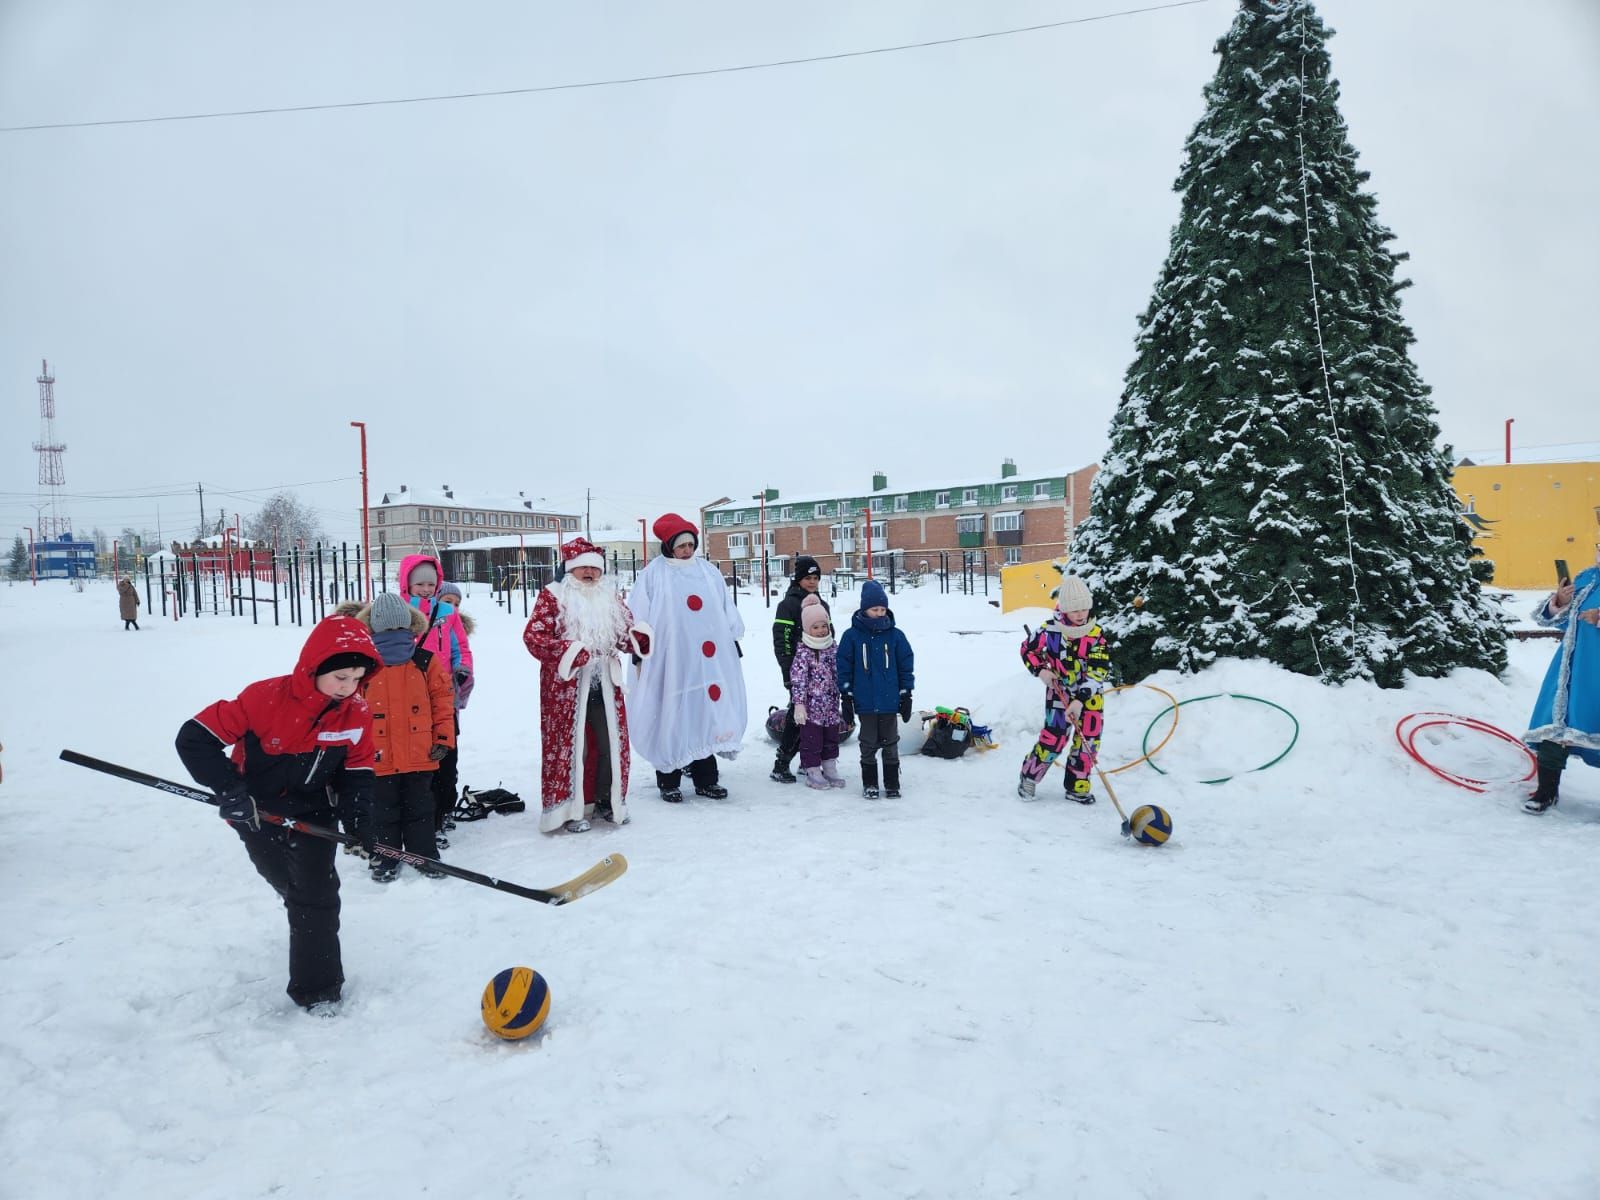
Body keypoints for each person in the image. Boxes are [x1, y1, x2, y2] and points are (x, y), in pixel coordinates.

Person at [174, 615, 379, 1014]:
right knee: (288, 884)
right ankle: (304, 910)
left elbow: (357, 773)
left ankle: (317, 992)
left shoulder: (356, 713)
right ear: (314, 666)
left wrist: (360, 823)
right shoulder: (262, 699)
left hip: (315, 811)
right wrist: (230, 792)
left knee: (316, 898)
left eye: (356, 678)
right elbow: (194, 738)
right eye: (340, 676)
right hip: (255, 812)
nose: (348, 687)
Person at [523, 537, 652, 832]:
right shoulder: (553, 596)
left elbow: (622, 634)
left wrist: (636, 640)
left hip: (605, 681)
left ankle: (607, 801)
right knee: (573, 746)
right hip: (566, 687)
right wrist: (568, 651)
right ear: (570, 569)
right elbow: (534, 637)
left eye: (594, 569)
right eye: (582, 568)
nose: (590, 574)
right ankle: (571, 809)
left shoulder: (609, 596)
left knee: (610, 742)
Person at [626, 513, 746, 803]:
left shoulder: (707, 572)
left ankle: (706, 779)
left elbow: (723, 605)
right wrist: (639, 650)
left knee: (704, 712)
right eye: (681, 546)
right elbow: (639, 612)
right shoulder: (654, 574)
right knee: (672, 710)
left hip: (706, 662)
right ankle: (669, 780)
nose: (687, 551)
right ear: (669, 545)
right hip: (671, 661)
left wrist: (731, 638)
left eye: (691, 545)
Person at [340, 592, 455, 879]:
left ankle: (424, 855)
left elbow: (443, 702)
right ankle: (385, 856)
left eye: (399, 628)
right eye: (387, 628)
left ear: (409, 628)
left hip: (421, 752)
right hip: (378, 756)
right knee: (382, 810)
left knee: (420, 808)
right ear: (374, 629)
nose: (394, 634)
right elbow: (349, 709)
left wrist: (443, 739)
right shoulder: (363, 665)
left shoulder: (425, 662)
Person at [1017, 575, 1112, 802]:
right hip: (1058, 693)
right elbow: (1027, 650)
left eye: (1084, 609)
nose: (1081, 615)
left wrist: (1080, 700)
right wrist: (1041, 671)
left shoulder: (1096, 634)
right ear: (1065, 609)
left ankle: (1077, 785)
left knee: (1088, 741)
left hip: (1089, 696)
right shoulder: (1049, 630)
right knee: (1054, 738)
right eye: (1075, 610)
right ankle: (1029, 776)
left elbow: (1098, 670)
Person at [1524, 557, 1600, 814]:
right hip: (1571, 667)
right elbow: (1560, 622)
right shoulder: (1586, 577)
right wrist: (1561, 603)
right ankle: (1546, 792)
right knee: (1555, 725)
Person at [836, 578, 916, 799]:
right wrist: (847, 696)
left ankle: (892, 783)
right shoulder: (851, 637)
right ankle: (870, 782)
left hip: (890, 701)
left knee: (891, 743)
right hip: (866, 702)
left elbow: (905, 664)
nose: (880, 613)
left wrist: (906, 693)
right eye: (875, 609)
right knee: (868, 743)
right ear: (864, 609)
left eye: (883, 609)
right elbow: (843, 666)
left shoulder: (896, 636)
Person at [423, 579, 475, 844]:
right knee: (427, 761)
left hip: (448, 704)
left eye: (457, 604)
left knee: (448, 762)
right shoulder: (426, 624)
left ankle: (444, 809)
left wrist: (462, 674)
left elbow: (462, 654)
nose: (453, 608)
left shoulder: (453, 629)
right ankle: (429, 814)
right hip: (423, 701)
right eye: (447, 602)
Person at [771, 557, 830, 782]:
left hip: (821, 672)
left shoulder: (820, 604)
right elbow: (782, 641)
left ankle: (809, 761)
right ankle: (782, 762)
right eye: (808, 578)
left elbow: (828, 636)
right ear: (798, 579)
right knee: (799, 716)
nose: (812, 582)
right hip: (799, 671)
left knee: (818, 718)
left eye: (816, 578)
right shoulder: (788, 605)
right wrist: (788, 672)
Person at [790, 595, 847, 790]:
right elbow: (798, 680)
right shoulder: (804, 651)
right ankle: (812, 770)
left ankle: (830, 768)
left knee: (831, 738)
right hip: (811, 709)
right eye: (816, 627)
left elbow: (841, 670)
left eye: (824, 625)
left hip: (831, 706)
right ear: (807, 629)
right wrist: (799, 704)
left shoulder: (833, 647)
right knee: (812, 740)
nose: (821, 630)